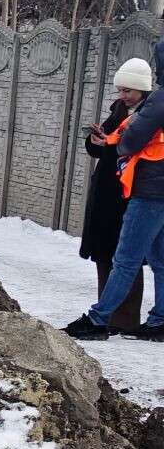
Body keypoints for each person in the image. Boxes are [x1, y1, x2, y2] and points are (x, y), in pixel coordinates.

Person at [68, 36, 164, 343]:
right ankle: (160, 320)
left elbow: (131, 141)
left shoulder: (158, 102)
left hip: (149, 191)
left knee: (125, 258)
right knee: (160, 260)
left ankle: (98, 320)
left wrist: (117, 144)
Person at [78, 58, 152, 330]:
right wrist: (96, 140)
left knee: (127, 257)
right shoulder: (119, 110)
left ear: (142, 89)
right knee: (105, 254)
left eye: (128, 91)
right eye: (120, 90)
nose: (123, 95)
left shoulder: (149, 113)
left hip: (130, 192)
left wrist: (110, 144)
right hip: (107, 193)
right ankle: (107, 314)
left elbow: (134, 149)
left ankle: (125, 320)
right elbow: (104, 149)